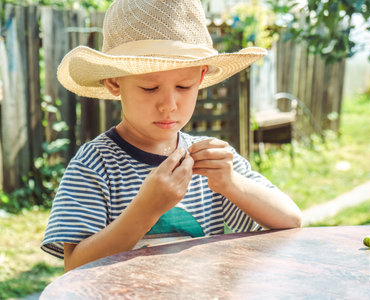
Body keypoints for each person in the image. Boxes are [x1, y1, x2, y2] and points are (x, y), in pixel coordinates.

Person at [41, 0, 302, 272]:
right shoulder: (96, 164)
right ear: (114, 81)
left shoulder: (209, 162)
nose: (169, 105)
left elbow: (290, 220)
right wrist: (146, 208)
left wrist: (231, 183)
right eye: (149, 88)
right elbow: (74, 266)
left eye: (183, 86)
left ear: (201, 78)